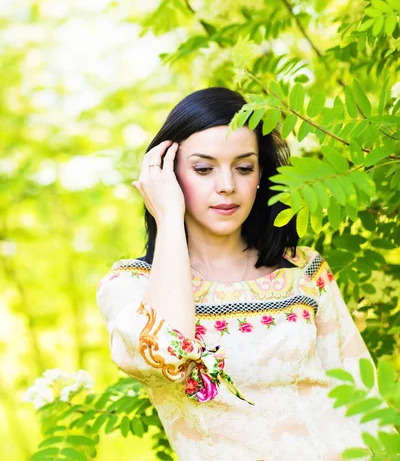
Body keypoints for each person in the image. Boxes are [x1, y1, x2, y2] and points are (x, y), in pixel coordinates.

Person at [96, 86, 386, 460]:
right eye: (203, 169)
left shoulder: (304, 271)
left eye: (244, 167)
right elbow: (167, 353)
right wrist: (167, 216)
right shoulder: (130, 286)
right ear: (167, 176)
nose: (227, 186)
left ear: (261, 175)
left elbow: (366, 397)